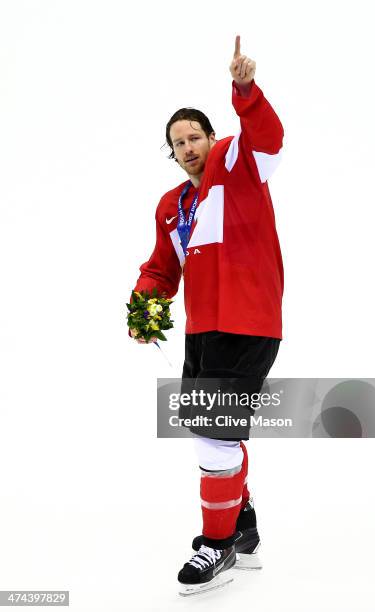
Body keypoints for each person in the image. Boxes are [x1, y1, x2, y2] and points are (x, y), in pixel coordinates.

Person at [129, 35, 284, 596]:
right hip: (202, 329)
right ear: (170, 152)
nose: (188, 146)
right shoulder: (172, 205)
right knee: (211, 430)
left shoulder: (239, 165)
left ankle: (214, 546)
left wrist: (244, 89)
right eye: (178, 142)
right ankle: (243, 531)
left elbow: (268, 136)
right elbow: (161, 268)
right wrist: (145, 307)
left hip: (249, 322)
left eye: (195, 135)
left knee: (212, 435)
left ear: (212, 137)